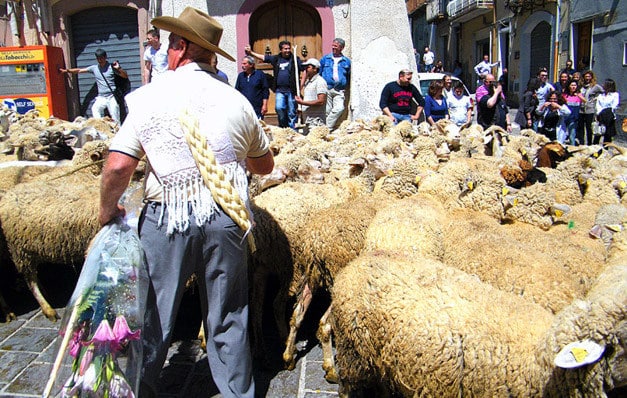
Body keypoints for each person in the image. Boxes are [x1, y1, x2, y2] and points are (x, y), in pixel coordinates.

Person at [97, 7, 274, 398]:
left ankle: (139, 389)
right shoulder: (236, 100)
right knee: (229, 312)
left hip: (167, 219)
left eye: (169, 45)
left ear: (178, 48)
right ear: (210, 55)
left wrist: (107, 211)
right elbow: (264, 165)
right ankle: (237, 392)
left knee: (154, 312)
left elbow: (117, 165)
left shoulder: (148, 98)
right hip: (226, 218)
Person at [60, 48, 128, 123]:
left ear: (105, 57)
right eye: (98, 58)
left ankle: (117, 131)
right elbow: (79, 70)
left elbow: (125, 76)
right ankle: (101, 126)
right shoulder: (94, 68)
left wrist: (119, 68)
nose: (100, 60)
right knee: (95, 109)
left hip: (111, 96)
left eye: (101, 58)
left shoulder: (111, 67)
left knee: (115, 116)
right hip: (101, 97)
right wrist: (66, 71)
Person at [245, 41, 302, 129]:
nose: (287, 50)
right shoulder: (276, 59)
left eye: (288, 48)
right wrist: (251, 53)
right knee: (279, 108)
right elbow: (264, 57)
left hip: (291, 90)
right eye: (285, 49)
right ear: (281, 50)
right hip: (280, 90)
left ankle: (293, 130)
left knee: (292, 111)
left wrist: (301, 84)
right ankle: (283, 127)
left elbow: (303, 69)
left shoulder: (294, 59)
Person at [319, 37, 351, 130]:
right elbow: (319, 73)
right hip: (327, 88)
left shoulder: (346, 61)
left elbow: (348, 75)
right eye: (333, 45)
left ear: (341, 48)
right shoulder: (325, 59)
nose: (333, 47)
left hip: (339, 90)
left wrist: (344, 84)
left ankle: (326, 128)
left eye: (336, 46)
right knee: (327, 110)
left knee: (339, 108)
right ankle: (325, 129)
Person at [295, 58, 327, 133]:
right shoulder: (308, 82)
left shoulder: (320, 82)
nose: (305, 69)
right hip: (307, 120)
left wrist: (302, 103)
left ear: (315, 69)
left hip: (316, 122)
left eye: (308, 67)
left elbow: (320, 101)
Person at [577, 70, 604, 145]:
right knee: (580, 127)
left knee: (589, 127)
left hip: (590, 109)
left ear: (591, 77)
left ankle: (589, 143)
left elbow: (603, 92)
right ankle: (581, 142)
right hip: (581, 109)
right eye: (586, 77)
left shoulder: (595, 86)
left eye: (589, 76)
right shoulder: (581, 86)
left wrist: (597, 98)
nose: (587, 78)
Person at [594, 78, 620, 144]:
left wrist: (606, 111)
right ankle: (595, 149)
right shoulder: (600, 95)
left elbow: (614, 105)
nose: (602, 85)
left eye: (604, 84)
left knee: (607, 134)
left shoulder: (615, 95)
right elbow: (598, 104)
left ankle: (606, 149)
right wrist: (599, 112)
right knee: (598, 133)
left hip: (609, 116)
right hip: (601, 115)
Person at [562, 79, 585, 145]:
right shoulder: (565, 95)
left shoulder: (579, 95)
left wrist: (579, 96)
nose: (573, 87)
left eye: (575, 85)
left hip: (574, 119)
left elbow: (585, 101)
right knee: (563, 136)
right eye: (572, 85)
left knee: (572, 136)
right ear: (569, 86)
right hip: (565, 118)